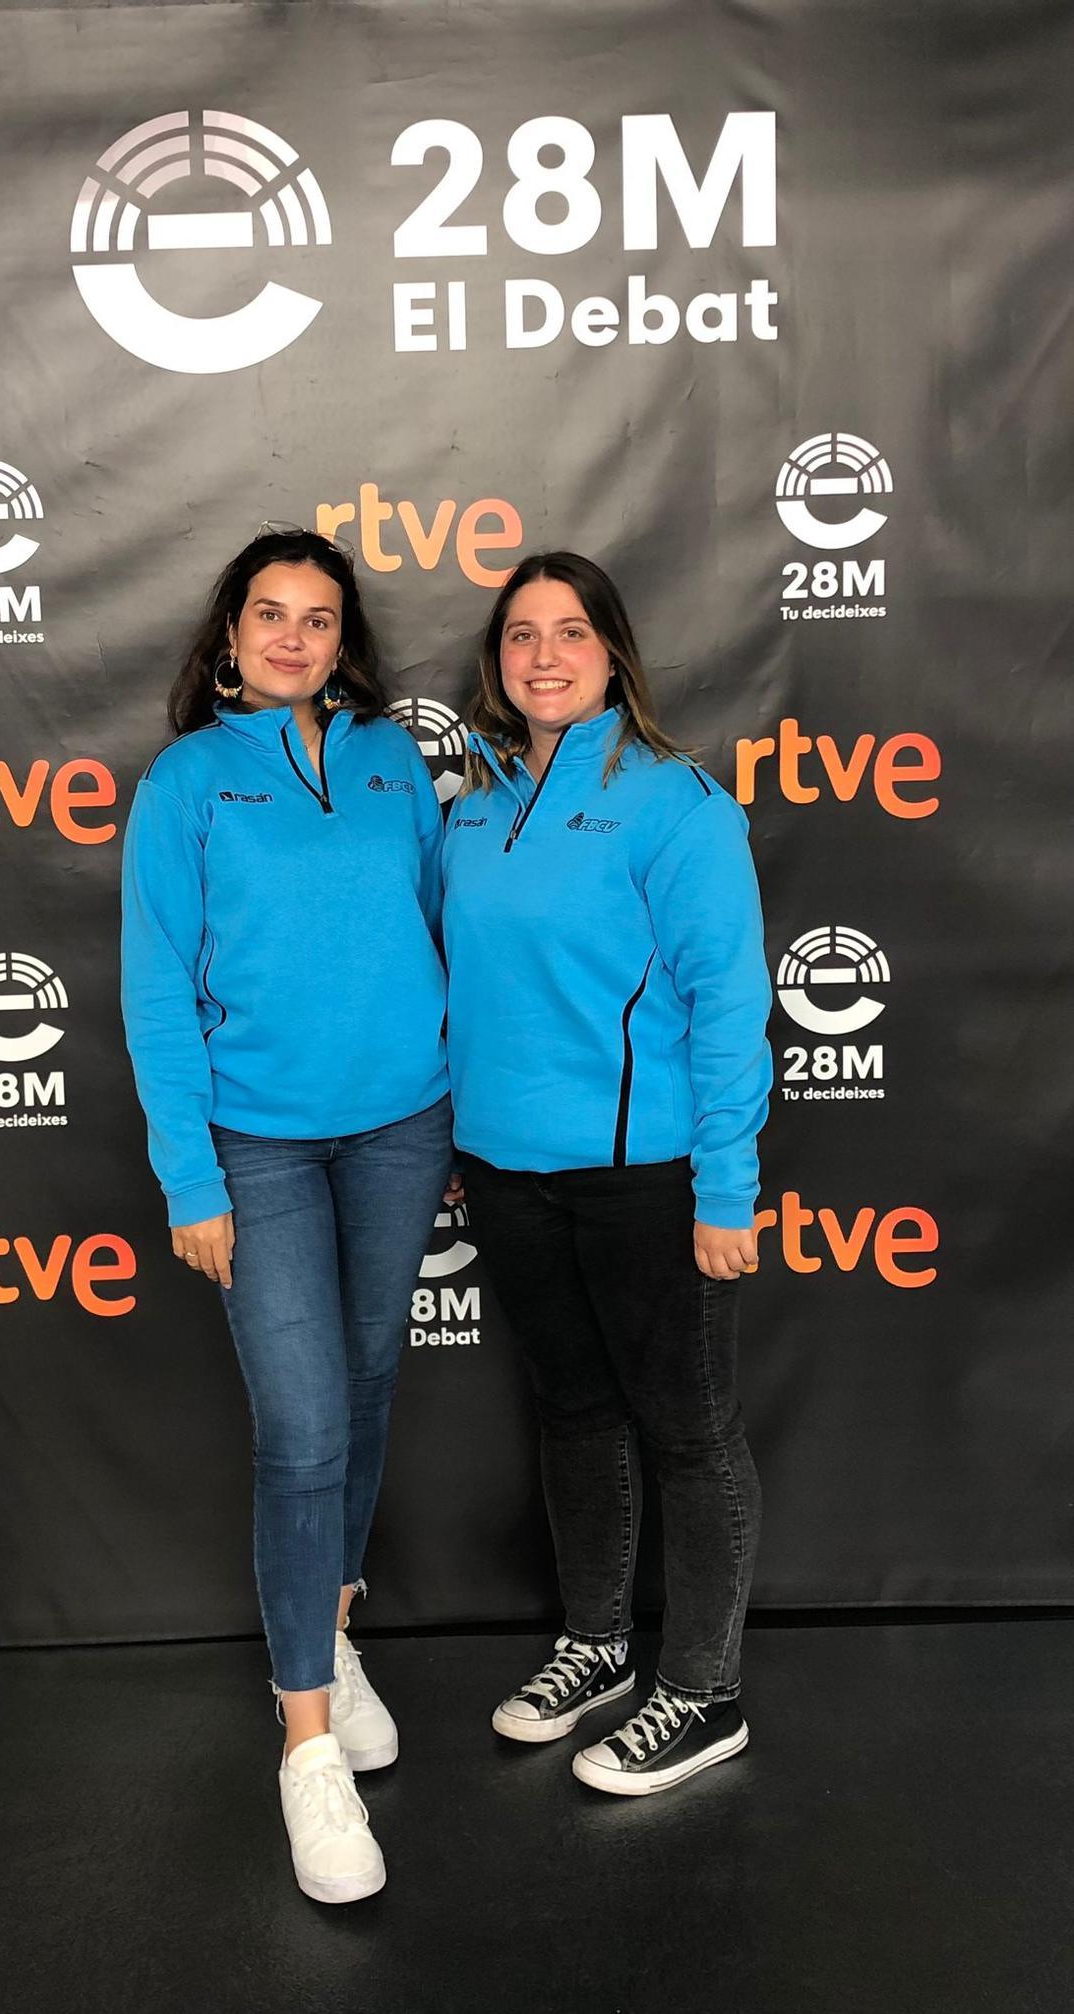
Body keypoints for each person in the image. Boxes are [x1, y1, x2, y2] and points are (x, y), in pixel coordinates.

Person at [120, 527, 453, 1902]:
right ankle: (307, 1750)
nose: (294, 637)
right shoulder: (188, 780)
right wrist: (190, 1173)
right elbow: (153, 986)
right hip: (255, 1142)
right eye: (270, 614)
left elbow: (439, 923)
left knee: (366, 1393)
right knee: (306, 1423)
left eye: (319, 618)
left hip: (401, 1126)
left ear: (343, 639)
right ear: (232, 632)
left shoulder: (391, 763)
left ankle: (329, 1624)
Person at [442, 550, 772, 1798]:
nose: (543, 656)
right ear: (497, 661)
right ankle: (598, 1645)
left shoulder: (675, 803)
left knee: (688, 1434)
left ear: (613, 651)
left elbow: (729, 1002)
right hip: (509, 1176)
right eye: (521, 635)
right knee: (575, 1415)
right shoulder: (471, 808)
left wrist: (727, 1188)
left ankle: (705, 1690)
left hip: (649, 1174)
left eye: (569, 632)